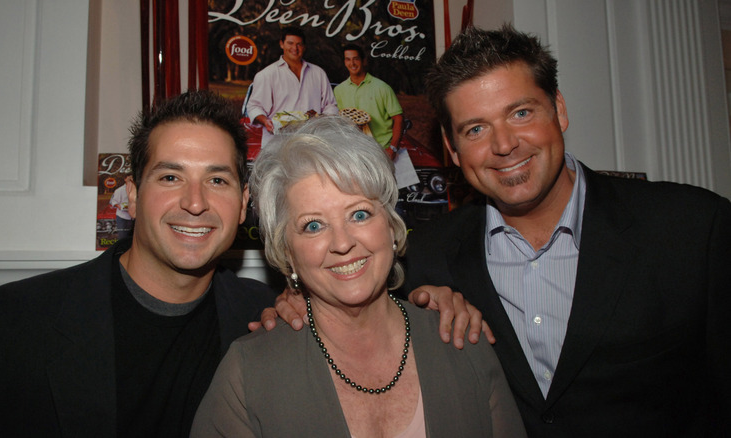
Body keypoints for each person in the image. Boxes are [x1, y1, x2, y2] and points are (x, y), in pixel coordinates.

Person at [402, 25, 731, 437]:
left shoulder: (693, 228)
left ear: (558, 110)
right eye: (476, 129)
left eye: (521, 113)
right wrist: (296, 305)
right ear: (452, 150)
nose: (504, 144)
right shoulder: (426, 259)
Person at [0, 90, 277, 437]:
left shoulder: (268, 318)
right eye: (170, 177)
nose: (195, 203)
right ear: (133, 195)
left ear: (243, 204)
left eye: (217, 180)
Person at [190, 116, 525, 437]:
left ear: (392, 227)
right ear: (287, 252)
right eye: (313, 225)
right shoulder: (248, 373)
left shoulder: (462, 341)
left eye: (359, 214)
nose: (343, 242)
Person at [246, 26, 338, 146]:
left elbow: (330, 105)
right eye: (290, 43)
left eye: (299, 44)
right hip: (277, 144)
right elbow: (254, 106)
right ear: (281, 44)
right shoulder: (267, 74)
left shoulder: (318, 73)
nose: (295, 48)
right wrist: (265, 121)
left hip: (312, 142)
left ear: (304, 47)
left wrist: (321, 120)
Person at [334, 44, 404, 160]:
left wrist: (393, 148)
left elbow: (398, 118)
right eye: (348, 59)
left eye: (356, 59)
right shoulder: (339, 90)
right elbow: (339, 121)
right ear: (345, 62)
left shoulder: (382, 88)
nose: (352, 63)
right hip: (353, 153)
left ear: (363, 61)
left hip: (381, 150)